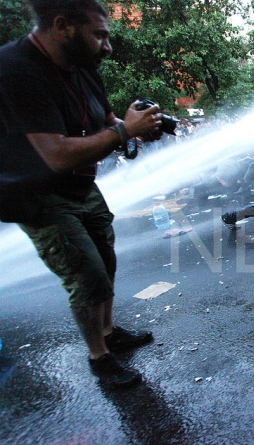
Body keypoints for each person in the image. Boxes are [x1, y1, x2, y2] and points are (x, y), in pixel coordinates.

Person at [0, 0, 166, 388]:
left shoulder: (83, 67)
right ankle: (100, 358)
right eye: (99, 35)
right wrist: (125, 132)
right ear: (63, 26)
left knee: (105, 260)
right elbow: (56, 154)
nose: (107, 46)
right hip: (37, 195)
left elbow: (108, 121)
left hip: (81, 186)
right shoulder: (15, 70)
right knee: (87, 275)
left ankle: (109, 332)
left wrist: (136, 127)